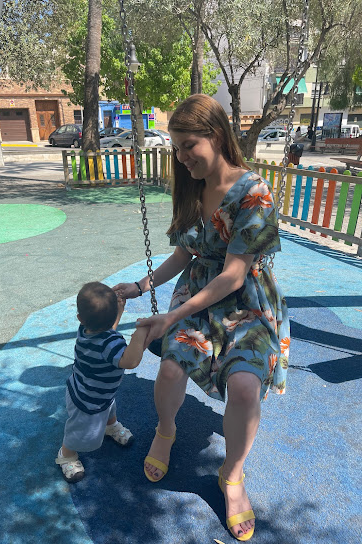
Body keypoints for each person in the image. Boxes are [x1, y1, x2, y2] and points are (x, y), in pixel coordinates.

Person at [113, 94, 290, 542]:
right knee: (171, 367)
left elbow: (233, 275)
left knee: (246, 387)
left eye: (189, 145)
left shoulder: (253, 191)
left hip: (245, 299)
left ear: (216, 136)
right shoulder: (190, 186)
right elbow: (183, 254)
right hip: (196, 293)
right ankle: (166, 431)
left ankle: (232, 473)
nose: (181, 157)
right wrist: (138, 288)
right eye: (176, 147)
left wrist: (173, 314)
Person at [56, 281, 150, 483]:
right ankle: (66, 454)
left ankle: (110, 426)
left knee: (109, 409)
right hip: (87, 400)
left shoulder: (86, 330)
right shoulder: (111, 345)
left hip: (95, 391)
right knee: (79, 431)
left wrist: (118, 312)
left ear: (81, 318)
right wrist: (141, 333)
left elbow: (107, 332)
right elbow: (131, 361)